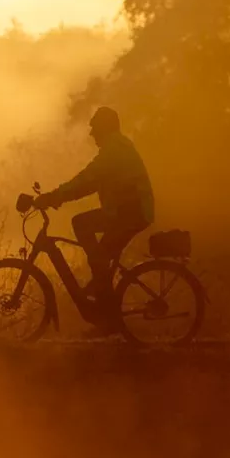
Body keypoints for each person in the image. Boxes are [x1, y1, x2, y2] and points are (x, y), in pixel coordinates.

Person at [33, 106, 154, 321]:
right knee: (100, 260)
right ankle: (105, 304)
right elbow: (88, 185)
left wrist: (53, 198)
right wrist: (58, 197)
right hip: (128, 212)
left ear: (104, 128)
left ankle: (104, 303)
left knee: (81, 225)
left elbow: (86, 180)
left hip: (129, 213)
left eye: (94, 129)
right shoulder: (118, 147)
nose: (91, 134)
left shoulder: (113, 151)